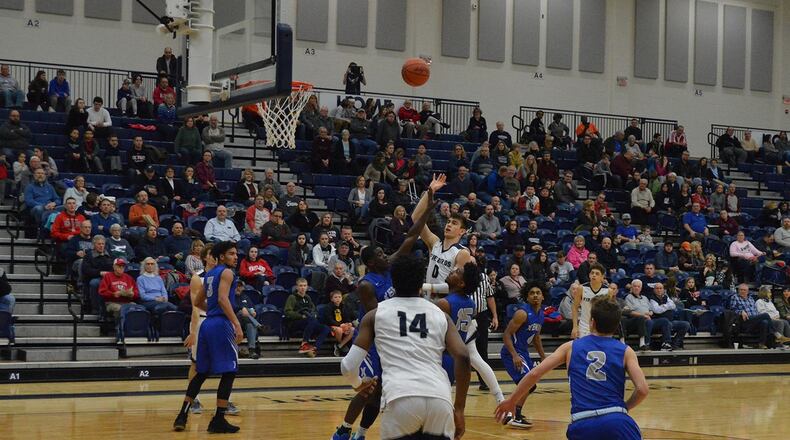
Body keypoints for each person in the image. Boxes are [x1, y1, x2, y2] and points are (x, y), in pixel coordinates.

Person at [331, 191, 435, 440]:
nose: (384, 256)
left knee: (379, 394)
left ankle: (362, 433)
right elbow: (376, 317)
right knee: (368, 390)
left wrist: (427, 210)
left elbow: (410, 237)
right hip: (371, 341)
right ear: (369, 263)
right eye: (378, 256)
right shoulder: (366, 285)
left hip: (388, 339)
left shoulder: (389, 265)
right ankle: (343, 430)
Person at [339, 253, 470, 440]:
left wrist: (358, 385)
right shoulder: (440, 314)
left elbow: (348, 367)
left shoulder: (376, 314)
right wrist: (459, 408)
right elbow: (463, 356)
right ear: (421, 283)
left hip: (400, 397)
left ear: (393, 280)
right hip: (439, 398)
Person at [496, 296, 648, 439]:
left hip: (582, 422)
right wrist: (623, 408)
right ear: (616, 326)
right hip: (618, 422)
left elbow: (535, 373)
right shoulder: (626, 351)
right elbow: (642, 389)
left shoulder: (570, 347)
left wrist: (512, 400)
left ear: (592, 322)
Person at [173, 242, 242, 433]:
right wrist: (236, 323)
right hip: (220, 324)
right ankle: (219, 419)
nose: (235, 257)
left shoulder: (209, 275)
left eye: (236, 254)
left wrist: (211, 311)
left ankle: (182, 415)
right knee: (229, 371)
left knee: (201, 371)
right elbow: (222, 299)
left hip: (207, 324)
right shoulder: (226, 272)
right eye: (231, 254)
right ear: (221, 257)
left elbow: (197, 301)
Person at [497, 282, 547, 428]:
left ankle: (512, 412)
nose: (536, 295)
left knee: (529, 385)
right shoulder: (522, 313)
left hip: (523, 352)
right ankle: (515, 415)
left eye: (538, 292)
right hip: (512, 352)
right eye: (532, 293)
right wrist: (514, 355)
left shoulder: (541, 314)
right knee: (528, 385)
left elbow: (536, 338)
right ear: (527, 297)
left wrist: (543, 357)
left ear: (543, 296)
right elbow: (506, 334)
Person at [412, 174, 473, 285]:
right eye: (448, 222)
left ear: (462, 231)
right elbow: (416, 218)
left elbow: (455, 286)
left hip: (445, 300)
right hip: (428, 299)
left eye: (454, 223)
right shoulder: (434, 243)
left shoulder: (462, 253)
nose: (449, 225)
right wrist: (430, 191)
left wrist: (430, 289)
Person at [285, 278, 330, 357]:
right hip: (295, 322)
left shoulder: (308, 298)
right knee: (311, 320)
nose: (302, 287)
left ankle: (315, 348)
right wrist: (301, 316)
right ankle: (304, 343)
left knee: (326, 328)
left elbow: (314, 309)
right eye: (301, 286)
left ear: (307, 287)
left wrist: (314, 314)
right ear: (297, 287)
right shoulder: (292, 297)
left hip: (309, 321)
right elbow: (287, 312)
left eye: (304, 286)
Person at [571, 263, 617, 338]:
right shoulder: (581, 288)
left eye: (597, 273)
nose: (594, 275)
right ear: (589, 275)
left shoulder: (608, 291)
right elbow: (575, 307)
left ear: (602, 277)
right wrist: (575, 327)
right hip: (584, 325)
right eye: (592, 273)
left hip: (601, 326)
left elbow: (610, 311)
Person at [729, 284, 774, 349]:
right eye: (741, 290)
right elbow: (732, 310)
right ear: (738, 291)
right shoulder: (735, 297)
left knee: (765, 322)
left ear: (747, 291)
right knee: (765, 315)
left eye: (744, 290)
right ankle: (775, 334)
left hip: (754, 321)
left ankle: (761, 344)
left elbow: (756, 311)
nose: (742, 291)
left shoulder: (751, 299)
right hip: (744, 321)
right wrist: (741, 311)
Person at [97, 258, 138, 322]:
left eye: (123, 266)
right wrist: (113, 294)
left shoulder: (129, 278)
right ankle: (120, 329)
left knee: (137, 309)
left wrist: (132, 294)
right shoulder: (108, 276)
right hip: (112, 302)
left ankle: (132, 329)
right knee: (121, 309)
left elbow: (136, 292)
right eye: (119, 266)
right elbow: (102, 292)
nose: (121, 268)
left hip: (127, 302)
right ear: (114, 267)